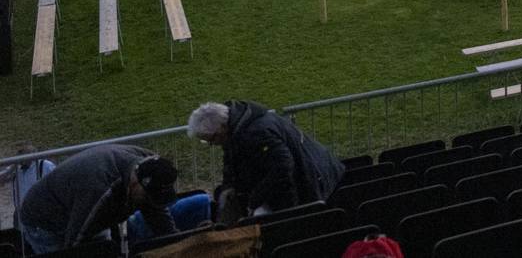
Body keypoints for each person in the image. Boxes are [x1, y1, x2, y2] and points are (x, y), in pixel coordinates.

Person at [188, 101, 344, 220]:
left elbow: (282, 168)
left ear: (222, 128)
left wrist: (255, 200)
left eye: (211, 139)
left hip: (314, 178)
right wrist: (227, 188)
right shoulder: (237, 127)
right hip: (309, 173)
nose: (212, 144)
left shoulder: (256, 133)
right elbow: (232, 163)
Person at [15, 145, 177, 254]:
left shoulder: (151, 166)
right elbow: (75, 246)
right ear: (134, 184)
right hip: (44, 221)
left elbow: (159, 216)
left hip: (83, 207)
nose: (150, 201)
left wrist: (178, 245)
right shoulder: (99, 191)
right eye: (147, 196)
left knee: (104, 249)